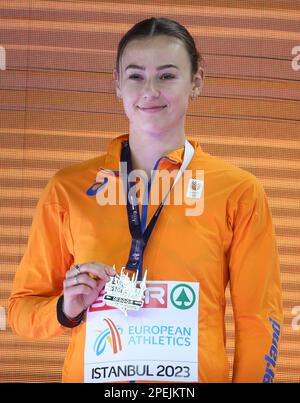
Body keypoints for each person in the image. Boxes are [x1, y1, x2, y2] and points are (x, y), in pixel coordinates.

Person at [8, 17, 283, 383]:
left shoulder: (237, 191)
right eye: (136, 76)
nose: (150, 90)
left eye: (167, 76)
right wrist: (65, 308)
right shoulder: (68, 189)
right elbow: (21, 311)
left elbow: (259, 319)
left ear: (196, 82)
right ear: (117, 85)